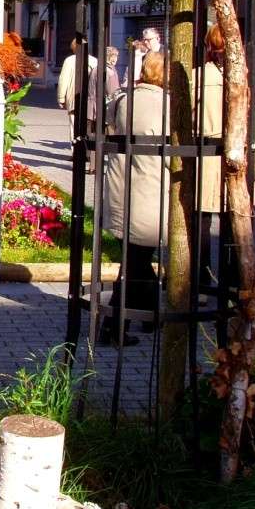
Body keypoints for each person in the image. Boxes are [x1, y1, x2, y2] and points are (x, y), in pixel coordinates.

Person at [101, 51, 169, 346]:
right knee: (135, 263)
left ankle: (150, 315)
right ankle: (113, 326)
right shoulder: (166, 104)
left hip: (121, 191)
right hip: (148, 191)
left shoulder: (124, 98)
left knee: (136, 259)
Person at [197, 22, 255, 289]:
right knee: (234, 221)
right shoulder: (245, 80)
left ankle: (200, 283)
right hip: (237, 158)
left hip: (204, 159)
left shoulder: (197, 77)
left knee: (201, 223)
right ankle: (233, 283)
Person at [86, 46, 120, 174]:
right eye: (114, 56)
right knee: (111, 139)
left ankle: (93, 167)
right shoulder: (109, 72)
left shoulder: (96, 69)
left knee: (95, 138)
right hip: (105, 110)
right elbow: (113, 93)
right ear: (110, 57)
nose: (116, 59)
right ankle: (114, 166)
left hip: (93, 108)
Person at [57, 39, 97, 143]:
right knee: (88, 124)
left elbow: (63, 80)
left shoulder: (69, 61)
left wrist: (61, 98)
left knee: (74, 125)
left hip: (74, 97)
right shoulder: (94, 61)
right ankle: (88, 150)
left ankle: (76, 151)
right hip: (90, 98)